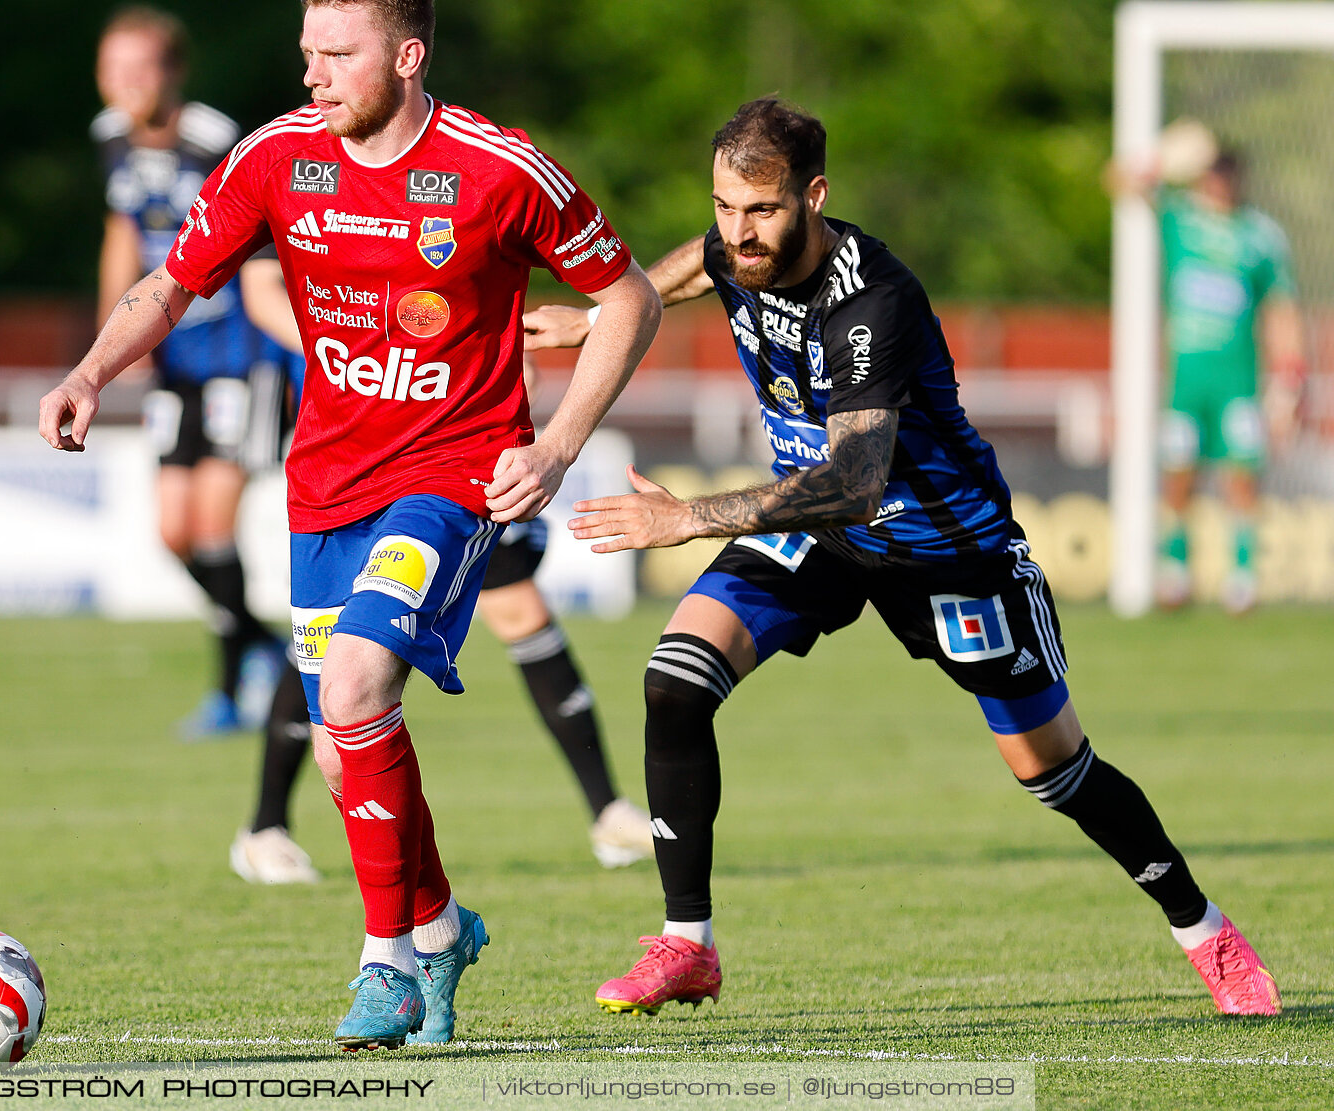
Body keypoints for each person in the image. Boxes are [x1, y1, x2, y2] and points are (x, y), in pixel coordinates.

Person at [526, 97, 1280, 1019]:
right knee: (675, 676)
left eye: (761, 210)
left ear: (815, 196)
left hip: (945, 549)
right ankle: (688, 945)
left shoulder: (871, 301)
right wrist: (610, 309)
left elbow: (855, 477)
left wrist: (688, 518)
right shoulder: (736, 242)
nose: (739, 233)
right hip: (822, 533)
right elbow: (700, 263)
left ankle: (1205, 929)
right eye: (725, 206)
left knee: (1054, 770)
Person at [42, 0, 662, 1050]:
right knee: (343, 740)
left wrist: (561, 444)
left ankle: (383, 963)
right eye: (306, 52)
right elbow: (171, 282)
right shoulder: (274, 159)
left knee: (363, 677)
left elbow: (629, 296)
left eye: (339, 54)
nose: (313, 74)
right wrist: (92, 371)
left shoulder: (500, 168)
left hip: (455, 475)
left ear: (408, 56)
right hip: (327, 482)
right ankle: (439, 925)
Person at [229, 252, 653, 885]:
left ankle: (608, 812)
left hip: (454, 458)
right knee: (331, 641)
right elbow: (260, 287)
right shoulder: (302, 170)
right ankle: (265, 826)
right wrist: (379, 345)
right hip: (354, 454)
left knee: (520, 611)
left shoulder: (457, 183)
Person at [92, 6, 288, 738]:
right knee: (173, 533)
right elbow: (121, 232)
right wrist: (114, 336)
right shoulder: (109, 139)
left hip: (239, 354)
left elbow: (265, 250)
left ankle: (231, 688)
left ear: (174, 72)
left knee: (213, 524)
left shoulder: (218, 142)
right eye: (112, 69)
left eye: (140, 69)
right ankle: (258, 644)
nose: (124, 84)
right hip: (172, 359)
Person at [1106, 121, 1307, 613]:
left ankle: (1243, 579)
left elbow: (1281, 309)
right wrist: (1162, 157)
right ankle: (1175, 572)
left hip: (1238, 381)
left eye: (1226, 174)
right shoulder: (1180, 219)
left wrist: (1290, 380)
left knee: (1241, 476)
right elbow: (1116, 181)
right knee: (1179, 474)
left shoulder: (1260, 236)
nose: (1219, 183)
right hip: (1186, 380)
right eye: (1212, 173)